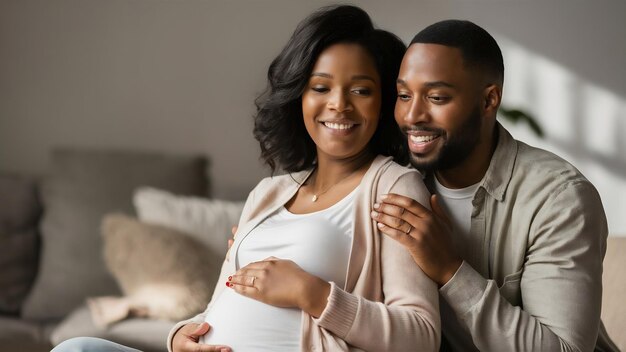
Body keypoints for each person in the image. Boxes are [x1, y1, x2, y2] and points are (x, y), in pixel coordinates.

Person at [52, 5, 440, 352]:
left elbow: (421, 336)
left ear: (386, 101)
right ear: (299, 98)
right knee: (77, 349)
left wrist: (314, 294)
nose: (339, 103)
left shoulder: (393, 186)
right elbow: (219, 304)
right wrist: (180, 338)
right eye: (320, 87)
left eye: (361, 90)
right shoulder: (269, 193)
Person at [370, 19, 619, 351]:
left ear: (489, 101)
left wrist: (450, 269)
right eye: (404, 95)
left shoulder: (560, 199)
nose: (412, 115)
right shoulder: (394, 180)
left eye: (437, 97)